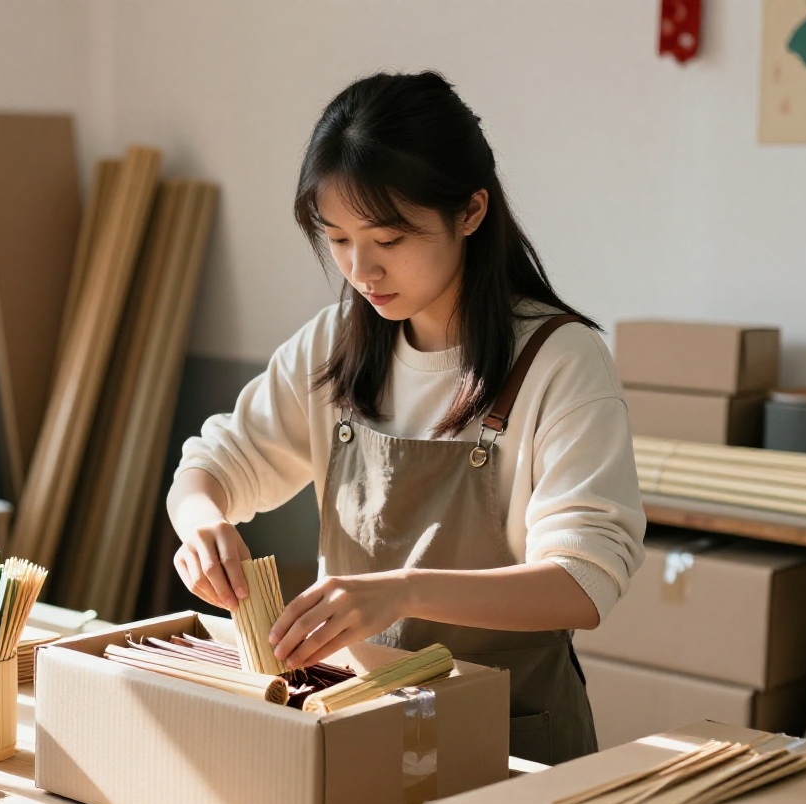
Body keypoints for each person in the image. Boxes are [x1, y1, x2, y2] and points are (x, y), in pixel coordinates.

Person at [165, 71, 645, 764]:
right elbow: (211, 466)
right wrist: (203, 526)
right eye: (337, 240)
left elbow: (583, 581)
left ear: (471, 212)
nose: (361, 269)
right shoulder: (334, 345)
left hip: (510, 743)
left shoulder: (562, 362)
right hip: (360, 728)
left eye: (388, 239)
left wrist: (401, 593)